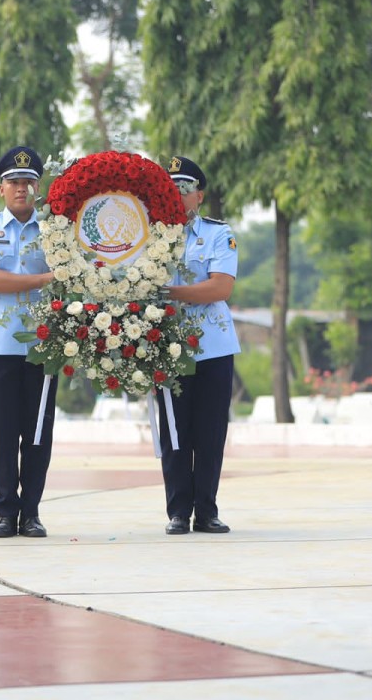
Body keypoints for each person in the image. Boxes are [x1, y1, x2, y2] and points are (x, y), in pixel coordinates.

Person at [0, 146, 57, 538]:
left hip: (45, 341)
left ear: (38, 188)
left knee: (37, 429)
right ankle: (5, 510)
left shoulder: (55, 229)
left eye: (29, 182)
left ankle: (31, 512)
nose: (22, 189)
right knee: (2, 430)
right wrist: (41, 280)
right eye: (14, 182)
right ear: (1, 189)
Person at [158, 155, 241, 535]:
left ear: (200, 195)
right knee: (175, 432)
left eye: (185, 188)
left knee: (209, 432)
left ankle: (206, 510)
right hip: (166, 346)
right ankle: (178, 511)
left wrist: (171, 292)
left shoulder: (218, 234)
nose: (178, 195)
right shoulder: (152, 236)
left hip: (213, 347)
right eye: (171, 188)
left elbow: (220, 287)